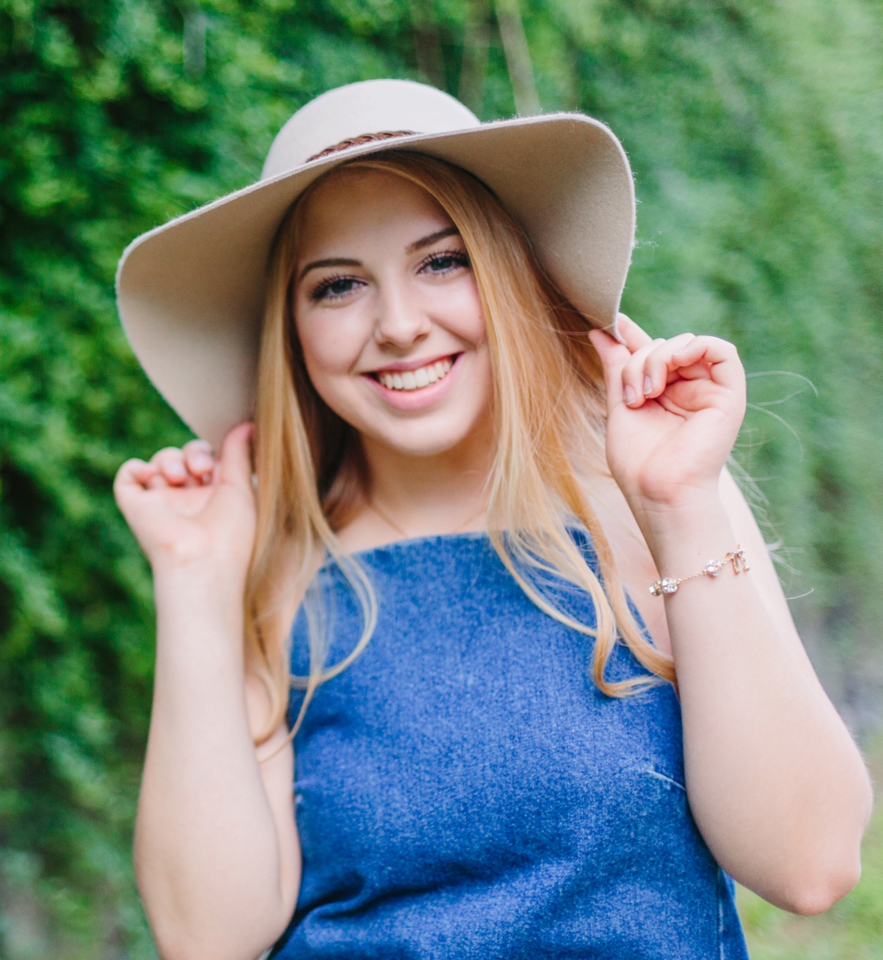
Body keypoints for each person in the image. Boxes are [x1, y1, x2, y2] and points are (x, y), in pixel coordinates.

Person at [111, 80, 872, 960]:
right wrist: (196, 586)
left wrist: (682, 508)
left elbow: (810, 865)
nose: (397, 325)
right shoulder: (276, 568)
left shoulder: (650, 505)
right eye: (337, 286)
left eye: (442, 261)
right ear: (290, 328)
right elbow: (207, 939)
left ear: (509, 272)